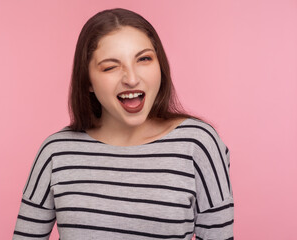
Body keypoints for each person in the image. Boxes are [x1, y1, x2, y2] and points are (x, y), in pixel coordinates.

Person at [13, 8, 234, 240]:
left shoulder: (197, 144)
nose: (131, 78)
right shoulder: (56, 151)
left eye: (144, 59)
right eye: (110, 67)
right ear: (87, 81)